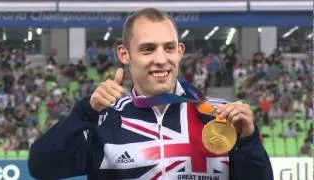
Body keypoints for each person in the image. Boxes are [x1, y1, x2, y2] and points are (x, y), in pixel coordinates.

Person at [28, 8, 273, 180]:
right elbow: (40, 166)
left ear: (179, 51)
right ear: (125, 54)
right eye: (147, 49)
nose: (160, 59)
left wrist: (249, 141)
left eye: (168, 48)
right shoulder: (102, 120)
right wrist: (85, 112)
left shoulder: (219, 116)